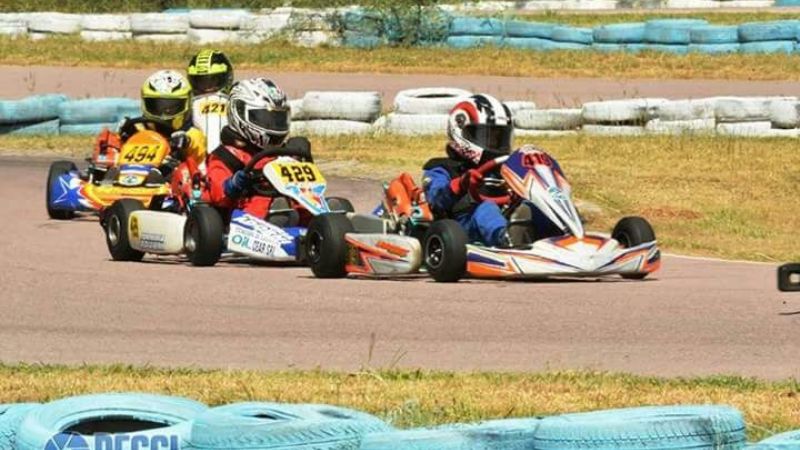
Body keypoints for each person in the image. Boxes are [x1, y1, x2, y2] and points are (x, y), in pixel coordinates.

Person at [421, 94, 515, 248]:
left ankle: (561, 236)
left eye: (499, 138)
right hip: (459, 230)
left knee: (531, 207)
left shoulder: (504, 169)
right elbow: (436, 199)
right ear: (461, 133)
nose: (495, 144)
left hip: (505, 217)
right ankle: (506, 239)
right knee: (487, 208)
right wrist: (461, 184)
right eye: (488, 137)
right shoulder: (441, 168)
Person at [204, 77, 303, 221]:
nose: (274, 126)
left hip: (288, 202)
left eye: (278, 119)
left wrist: (300, 161)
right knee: (265, 202)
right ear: (239, 113)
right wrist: (234, 183)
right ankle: (278, 218)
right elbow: (219, 194)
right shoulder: (227, 155)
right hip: (244, 214)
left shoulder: (281, 153)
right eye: (266, 119)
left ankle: (322, 220)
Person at [113, 70, 207, 181]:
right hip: (133, 173)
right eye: (156, 106)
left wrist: (185, 142)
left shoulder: (192, 134)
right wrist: (121, 136)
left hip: (174, 182)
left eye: (171, 108)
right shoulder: (139, 129)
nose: (163, 114)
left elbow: (197, 146)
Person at [187, 49, 234, 155]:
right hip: (197, 157)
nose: (207, 88)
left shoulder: (235, 103)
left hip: (230, 157)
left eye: (213, 81)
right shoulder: (189, 106)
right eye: (201, 82)